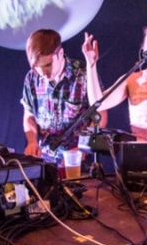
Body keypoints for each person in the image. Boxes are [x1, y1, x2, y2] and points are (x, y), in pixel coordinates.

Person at [21, 29, 106, 159]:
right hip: (44, 157)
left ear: (60, 54)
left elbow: (101, 114)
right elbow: (29, 116)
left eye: (48, 65)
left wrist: (83, 148)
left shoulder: (84, 74)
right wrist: (32, 141)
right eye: (38, 68)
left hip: (77, 159)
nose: (43, 73)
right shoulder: (31, 78)